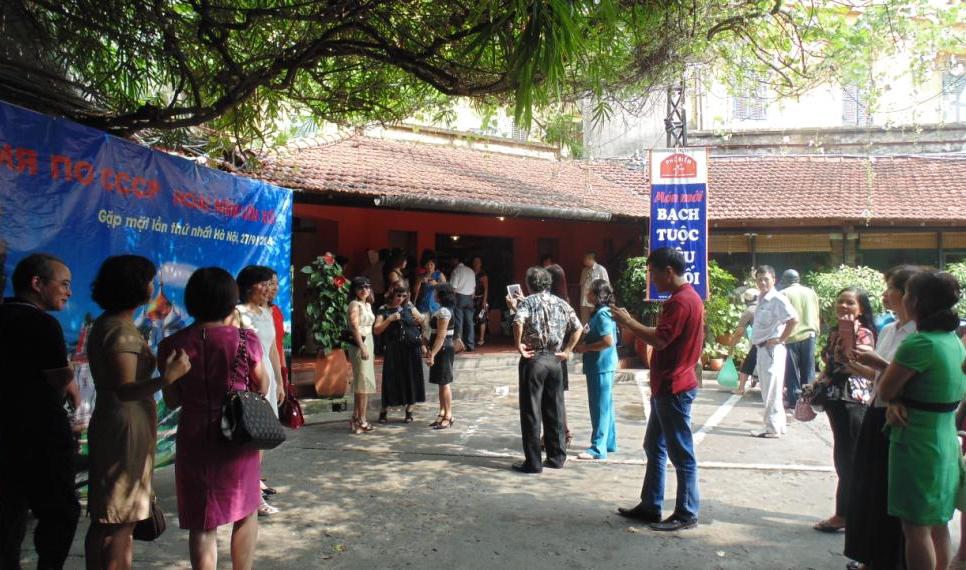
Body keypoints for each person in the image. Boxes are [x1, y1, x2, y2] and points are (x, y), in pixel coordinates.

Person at [84, 255, 191, 570]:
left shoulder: (111, 323)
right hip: (124, 426)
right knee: (120, 519)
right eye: (149, 280)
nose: (153, 286)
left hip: (118, 421)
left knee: (112, 518)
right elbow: (125, 389)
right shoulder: (121, 332)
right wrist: (167, 378)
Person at [158, 267, 268, 570]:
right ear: (231, 300)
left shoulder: (172, 345)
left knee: (202, 520)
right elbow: (262, 385)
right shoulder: (246, 339)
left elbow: (172, 400)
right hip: (238, 432)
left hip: (194, 434)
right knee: (245, 508)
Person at [878, 270, 966, 570]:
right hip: (945, 436)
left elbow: (886, 389)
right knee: (938, 523)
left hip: (917, 440)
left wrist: (895, 400)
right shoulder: (953, 340)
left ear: (914, 301)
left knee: (915, 529)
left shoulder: (920, 344)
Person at [613, 247, 704, 532]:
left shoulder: (681, 301)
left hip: (674, 386)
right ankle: (651, 504)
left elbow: (661, 340)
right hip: (668, 385)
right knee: (654, 446)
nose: (651, 279)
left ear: (668, 271)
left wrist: (629, 322)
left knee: (681, 453)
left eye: (653, 273)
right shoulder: (687, 298)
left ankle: (686, 512)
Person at [0, 253, 81, 569]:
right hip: (38, 437)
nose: (68, 292)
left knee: (10, 515)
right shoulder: (41, 324)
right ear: (37, 283)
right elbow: (60, 379)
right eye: (64, 284)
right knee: (61, 512)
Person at [844, 266, 919, 569]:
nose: (885, 295)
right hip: (876, 409)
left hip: (898, 416)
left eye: (891, 288)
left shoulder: (919, 335)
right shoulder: (889, 329)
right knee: (868, 487)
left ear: (909, 295)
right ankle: (871, 557)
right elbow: (879, 377)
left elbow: (908, 379)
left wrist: (878, 364)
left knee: (889, 492)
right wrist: (856, 362)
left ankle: (887, 559)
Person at [811, 287, 876, 533]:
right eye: (840, 302)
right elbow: (830, 364)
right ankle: (849, 513)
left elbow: (856, 364)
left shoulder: (864, 333)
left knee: (849, 457)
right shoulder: (835, 331)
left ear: (861, 309)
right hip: (835, 398)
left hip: (853, 398)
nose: (844, 306)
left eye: (850, 303)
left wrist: (847, 346)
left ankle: (845, 514)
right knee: (843, 454)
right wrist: (819, 380)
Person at [511, 266, 581, 474]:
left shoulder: (528, 302)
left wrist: (519, 345)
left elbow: (518, 321)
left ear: (529, 284)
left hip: (534, 359)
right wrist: (568, 350)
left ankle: (533, 462)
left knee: (531, 411)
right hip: (555, 359)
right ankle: (557, 457)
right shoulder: (561, 302)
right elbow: (578, 327)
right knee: (555, 409)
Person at [235, 265, 285, 517]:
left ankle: (253, 486)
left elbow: (273, 350)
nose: (269, 288)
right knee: (250, 437)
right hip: (250, 380)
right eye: (264, 283)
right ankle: (251, 493)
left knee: (262, 436)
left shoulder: (266, 312)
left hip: (268, 378)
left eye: (270, 283)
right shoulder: (238, 313)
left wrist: (280, 381)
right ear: (248, 286)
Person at [748, 265, 798, 439]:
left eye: (766, 279)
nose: (762, 282)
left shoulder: (777, 299)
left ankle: (772, 428)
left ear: (774, 280)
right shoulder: (762, 298)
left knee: (771, 391)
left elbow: (793, 319)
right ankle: (779, 425)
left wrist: (781, 339)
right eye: (759, 279)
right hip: (762, 348)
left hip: (771, 350)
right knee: (770, 389)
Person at [574, 279, 619, 461]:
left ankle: (598, 448)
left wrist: (585, 348)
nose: (587, 294)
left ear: (597, 295)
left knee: (599, 407)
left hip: (600, 366)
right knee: (606, 405)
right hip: (602, 365)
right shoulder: (603, 313)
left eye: (590, 291)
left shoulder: (602, 315)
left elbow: (608, 341)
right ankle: (609, 442)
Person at [373, 281, 426, 423]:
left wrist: (420, 319)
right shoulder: (384, 309)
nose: (401, 299)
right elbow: (377, 330)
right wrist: (389, 320)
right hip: (393, 348)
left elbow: (421, 320)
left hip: (411, 347)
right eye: (398, 295)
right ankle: (384, 410)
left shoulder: (409, 306)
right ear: (392, 294)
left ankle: (409, 410)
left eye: (404, 296)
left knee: (411, 377)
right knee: (391, 378)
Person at [779, 269, 820, 409]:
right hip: (810, 334)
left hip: (791, 336)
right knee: (808, 370)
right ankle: (808, 400)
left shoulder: (784, 293)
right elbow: (817, 312)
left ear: (785, 280)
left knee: (791, 371)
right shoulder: (811, 292)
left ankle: (793, 401)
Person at [347, 277, 376, 434]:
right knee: (362, 382)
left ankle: (356, 417)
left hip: (369, 341)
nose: (364, 290)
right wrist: (362, 346)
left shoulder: (368, 304)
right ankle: (361, 419)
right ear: (355, 290)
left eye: (367, 286)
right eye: (360, 287)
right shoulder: (354, 304)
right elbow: (354, 327)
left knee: (363, 382)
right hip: (360, 343)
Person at [426, 284, 457, 430]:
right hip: (442, 348)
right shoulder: (444, 310)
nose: (434, 295)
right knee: (441, 382)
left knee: (444, 383)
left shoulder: (444, 312)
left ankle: (449, 415)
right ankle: (442, 412)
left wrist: (432, 354)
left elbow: (441, 336)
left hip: (443, 349)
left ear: (440, 295)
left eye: (436, 292)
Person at [727, 288, 758, 396]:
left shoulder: (749, 311)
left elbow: (739, 333)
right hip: (776, 340)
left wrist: (731, 348)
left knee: (747, 364)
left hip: (760, 342)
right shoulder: (767, 306)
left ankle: (741, 388)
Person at [449, 256, 476, 351]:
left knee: (458, 322)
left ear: (456, 261)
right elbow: (474, 288)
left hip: (459, 297)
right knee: (470, 322)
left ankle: (459, 345)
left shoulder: (456, 271)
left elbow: (453, 288)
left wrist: (451, 299)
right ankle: (470, 345)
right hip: (470, 298)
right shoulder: (471, 271)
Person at [579, 252, 610, 324]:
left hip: (595, 302)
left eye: (585, 259)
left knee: (596, 321)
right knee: (585, 322)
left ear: (590, 259)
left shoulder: (601, 269)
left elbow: (606, 286)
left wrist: (602, 301)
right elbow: (581, 284)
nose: (583, 260)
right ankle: (586, 332)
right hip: (584, 301)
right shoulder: (584, 270)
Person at [471, 256, 489, 347]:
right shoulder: (470, 273)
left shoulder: (483, 275)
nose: (476, 264)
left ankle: (481, 338)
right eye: (474, 262)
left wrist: (484, 301)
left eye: (477, 262)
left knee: (482, 318)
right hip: (472, 299)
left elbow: (486, 289)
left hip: (481, 298)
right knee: (471, 318)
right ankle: (472, 337)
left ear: (480, 264)